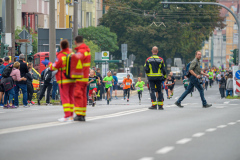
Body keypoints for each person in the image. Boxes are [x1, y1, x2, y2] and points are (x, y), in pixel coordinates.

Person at [73, 36, 91, 121]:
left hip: (79, 77)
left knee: (77, 95)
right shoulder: (87, 51)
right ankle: (83, 114)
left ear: (75, 42)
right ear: (83, 41)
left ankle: (79, 114)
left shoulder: (80, 52)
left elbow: (77, 66)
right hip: (85, 77)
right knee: (83, 96)